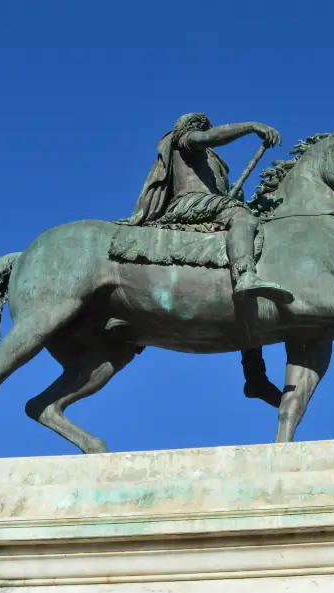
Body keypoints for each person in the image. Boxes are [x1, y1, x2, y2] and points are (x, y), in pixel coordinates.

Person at [122, 112, 290, 406]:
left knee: (248, 304)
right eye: (201, 126)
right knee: (243, 217)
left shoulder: (213, 161)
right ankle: (244, 273)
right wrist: (251, 126)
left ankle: (255, 377)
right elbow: (208, 139)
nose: (205, 129)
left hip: (211, 205)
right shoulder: (186, 141)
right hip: (189, 204)